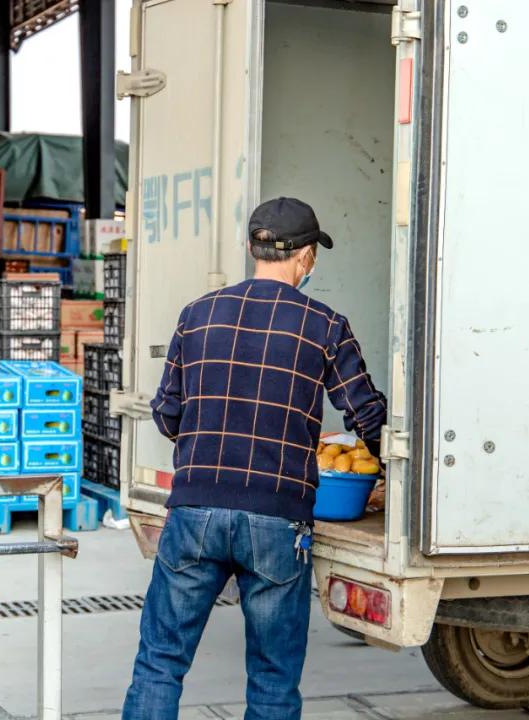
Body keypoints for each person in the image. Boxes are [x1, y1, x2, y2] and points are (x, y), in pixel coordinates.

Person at [122, 197, 388, 719]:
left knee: (160, 662)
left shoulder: (196, 315)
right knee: (271, 679)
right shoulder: (326, 325)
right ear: (307, 257)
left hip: (195, 510)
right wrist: (386, 472)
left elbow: (166, 413)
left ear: (251, 248)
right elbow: (368, 416)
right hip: (276, 520)